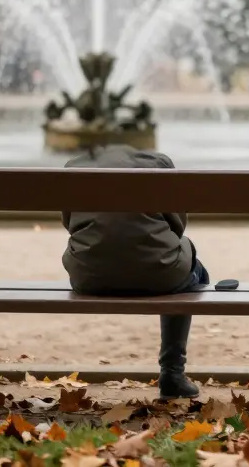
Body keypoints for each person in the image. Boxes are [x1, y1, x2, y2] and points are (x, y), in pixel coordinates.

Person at [61, 145, 208, 399]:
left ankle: (173, 373)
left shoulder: (74, 167)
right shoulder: (158, 165)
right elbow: (177, 225)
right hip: (162, 275)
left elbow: (70, 223)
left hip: (89, 276)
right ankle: (172, 372)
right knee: (198, 272)